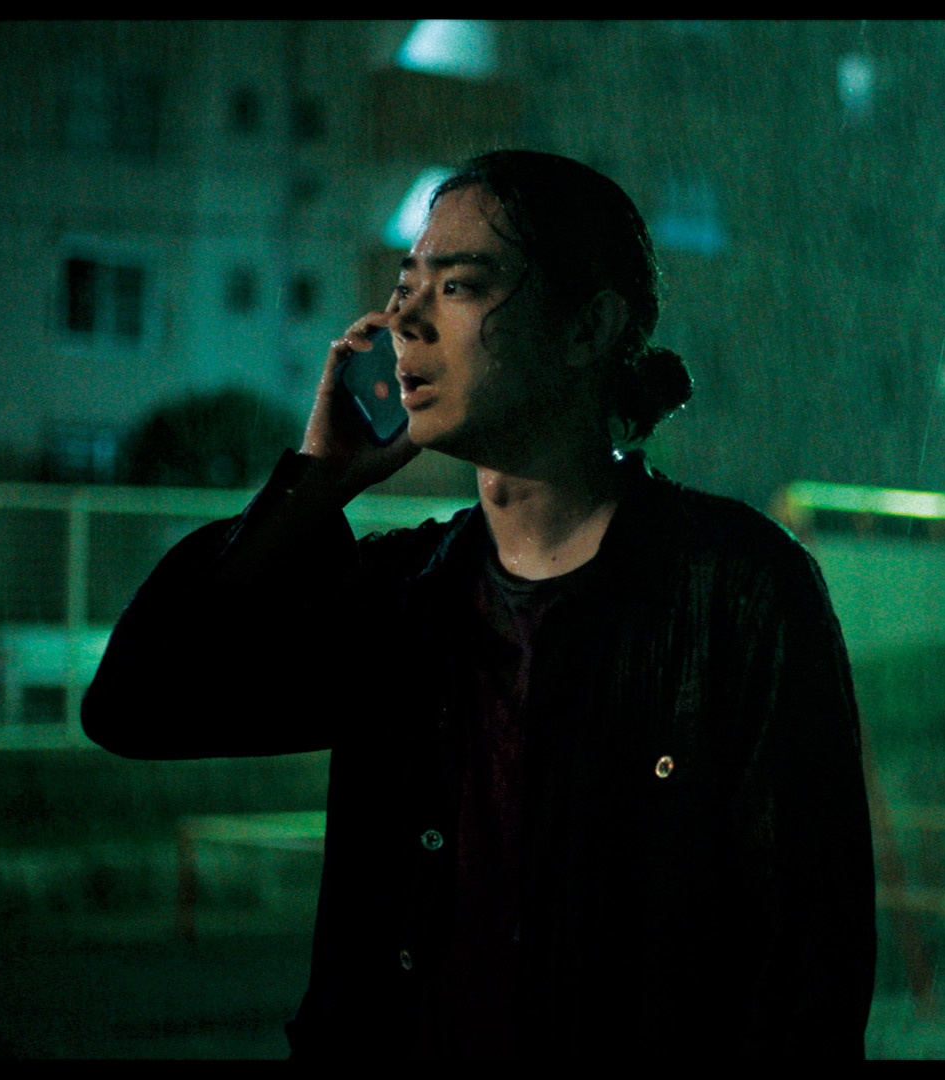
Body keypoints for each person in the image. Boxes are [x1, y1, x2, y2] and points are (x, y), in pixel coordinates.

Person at [81, 150, 875, 1058]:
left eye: (457, 286)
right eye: (403, 286)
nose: (402, 320)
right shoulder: (400, 596)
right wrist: (317, 482)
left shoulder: (734, 589)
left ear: (587, 326)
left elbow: (810, 971)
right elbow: (136, 705)